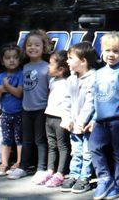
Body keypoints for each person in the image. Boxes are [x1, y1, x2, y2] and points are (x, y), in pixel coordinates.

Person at [89, 32, 119, 200]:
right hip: (100, 120)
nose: (111, 54)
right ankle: (105, 178)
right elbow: (95, 98)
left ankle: (117, 184)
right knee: (94, 147)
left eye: (116, 51)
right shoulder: (98, 73)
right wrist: (92, 118)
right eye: (107, 50)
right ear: (101, 51)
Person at [60, 42, 97, 194]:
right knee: (75, 151)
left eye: (70, 58)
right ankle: (74, 175)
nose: (67, 61)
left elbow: (90, 103)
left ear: (83, 61)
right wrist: (67, 118)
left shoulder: (93, 78)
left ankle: (85, 178)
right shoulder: (71, 79)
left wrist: (80, 122)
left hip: (86, 125)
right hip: (74, 124)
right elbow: (66, 101)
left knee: (87, 152)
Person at [20, 30, 51, 182]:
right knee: (26, 139)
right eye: (29, 45)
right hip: (26, 109)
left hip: (41, 109)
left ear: (44, 47)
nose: (33, 48)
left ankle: (41, 168)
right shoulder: (24, 67)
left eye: (37, 45)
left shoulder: (47, 67)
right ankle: (23, 167)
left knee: (40, 140)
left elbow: (51, 90)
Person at [0, 44, 24, 179]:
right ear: (2, 61)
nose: (11, 61)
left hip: (20, 112)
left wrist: (5, 86)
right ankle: (4, 163)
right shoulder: (0, 76)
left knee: (19, 139)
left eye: (15, 58)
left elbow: (18, 93)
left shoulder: (21, 74)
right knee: (5, 139)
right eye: (8, 58)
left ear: (19, 60)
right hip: (5, 113)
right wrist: (1, 89)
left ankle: (18, 162)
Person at [42, 50, 71, 187]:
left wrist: (67, 118)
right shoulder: (52, 80)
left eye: (51, 64)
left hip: (60, 118)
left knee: (62, 146)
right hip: (49, 116)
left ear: (60, 70)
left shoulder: (68, 82)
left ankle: (60, 173)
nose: (48, 66)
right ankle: (50, 170)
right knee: (51, 145)